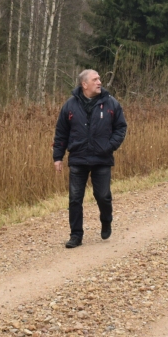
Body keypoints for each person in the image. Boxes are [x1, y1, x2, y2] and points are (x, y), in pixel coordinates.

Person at [52, 69, 128, 248]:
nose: (99, 82)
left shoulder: (111, 104)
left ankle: (106, 220)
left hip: (102, 159)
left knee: (102, 196)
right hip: (78, 158)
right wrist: (58, 157)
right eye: (95, 79)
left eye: (99, 79)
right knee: (75, 199)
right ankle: (76, 235)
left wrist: (109, 146)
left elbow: (121, 128)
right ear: (84, 84)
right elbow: (61, 133)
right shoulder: (70, 106)